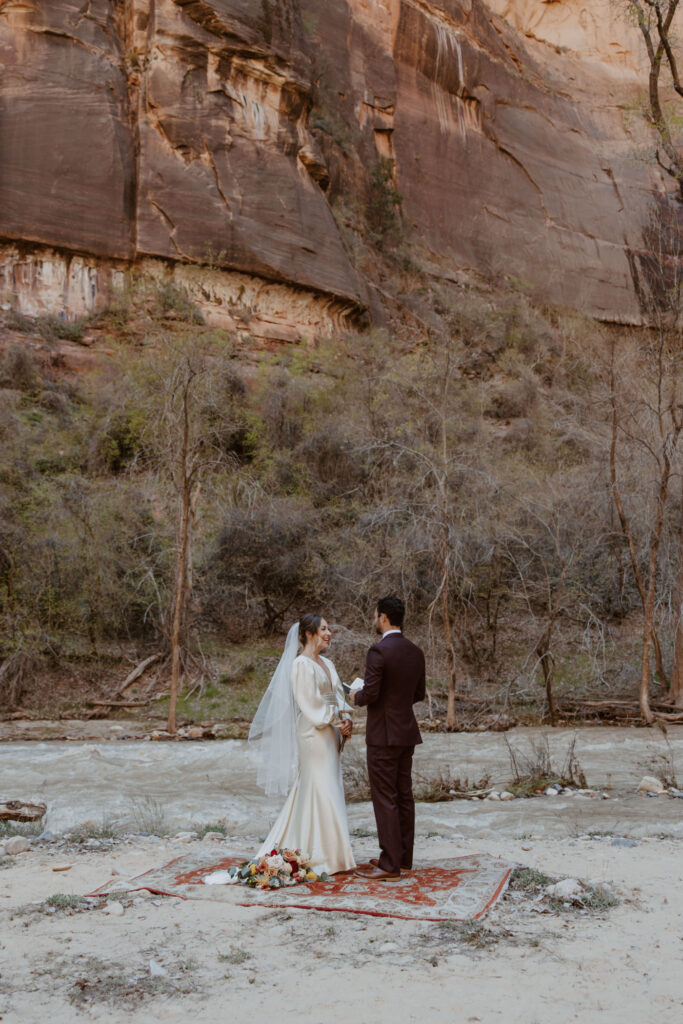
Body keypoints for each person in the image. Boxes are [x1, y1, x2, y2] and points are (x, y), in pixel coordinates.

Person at [248, 614, 356, 875]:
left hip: (331, 733)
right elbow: (310, 703)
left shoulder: (327, 663)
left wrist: (346, 718)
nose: (329, 633)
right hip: (313, 733)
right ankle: (321, 855)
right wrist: (333, 719)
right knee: (320, 788)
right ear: (309, 634)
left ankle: (334, 854)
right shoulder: (300, 665)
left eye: (329, 628)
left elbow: (335, 696)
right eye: (324, 629)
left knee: (329, 787)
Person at [351, 596, 426, 880]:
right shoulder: (416, 651)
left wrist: (354, 695)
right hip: (407, 733)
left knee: (385, 797)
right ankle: (403, 858)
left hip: (383, 734)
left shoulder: (378, 652)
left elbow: (370, 694)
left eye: (375, 615)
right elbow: (418, 694)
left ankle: (389, 864)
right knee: (404, 795)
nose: (374, 619)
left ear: (383, 617)